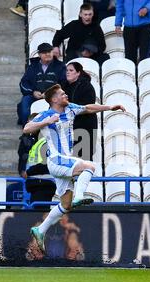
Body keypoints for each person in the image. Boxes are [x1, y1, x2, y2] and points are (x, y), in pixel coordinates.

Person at [23, 84, 125, 253]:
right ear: (54, 99)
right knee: (90, 166)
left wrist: (109, 107)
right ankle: (80, 195)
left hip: (64, 161)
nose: (66, 96)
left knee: (66, 204)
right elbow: (27, 128)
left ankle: (40, 230)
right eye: (62, 94)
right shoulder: (46, 114)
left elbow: (88, 108)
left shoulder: (70, 109)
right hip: (57, 160)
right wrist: (46, 122)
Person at [18, 43, 66, 125]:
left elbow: (64, 83)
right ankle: (27, 129)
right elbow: (24, 83)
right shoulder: (33, 66)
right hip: (34, 95)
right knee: (24, 103)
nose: (47, 54)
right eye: (44, 52)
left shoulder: (60, 66)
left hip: (54, 95)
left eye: (49, 51)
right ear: (39, 54)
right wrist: (33, 92)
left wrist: (49, 93)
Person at [61, 62, 97, 161]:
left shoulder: (86, 87)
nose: (68, 72)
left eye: (71, 70)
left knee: (84, 156)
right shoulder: (63, 86)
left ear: (78, 73)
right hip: (68, 125)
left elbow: (87, 107)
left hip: (85, 124)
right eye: (67, 70)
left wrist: (67, 107)